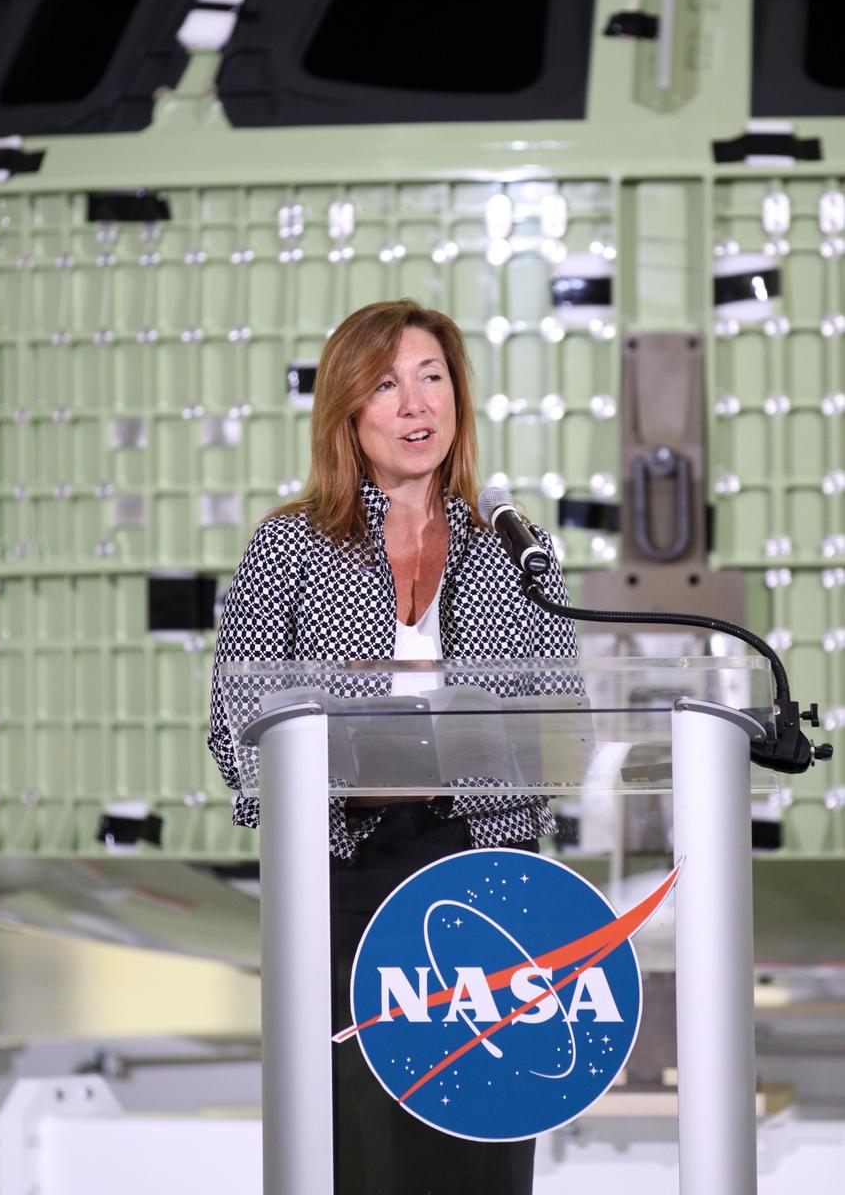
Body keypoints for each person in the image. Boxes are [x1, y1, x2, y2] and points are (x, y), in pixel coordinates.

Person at [208, 299, 578, 1195]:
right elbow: (234, 725)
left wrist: (481, 758)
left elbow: (563, 726)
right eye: (385, 384)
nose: (416, 405)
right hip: (345, 875)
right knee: (359, 1146)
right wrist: (324, 800)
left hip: (487, 875)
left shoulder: (513, 549)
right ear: (348, 411)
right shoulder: (290, 545)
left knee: (482, 1140)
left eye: (432, 378)